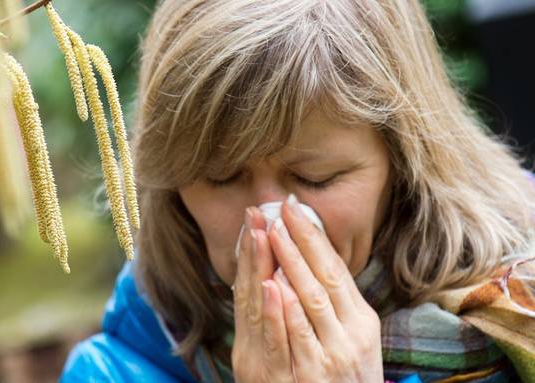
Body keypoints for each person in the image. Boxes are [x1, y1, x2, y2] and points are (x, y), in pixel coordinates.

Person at [60, 0, 535, 381]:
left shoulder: (519, 316)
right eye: (220, 177)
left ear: (405, 162)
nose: (266, 220)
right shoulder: (114, 369)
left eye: (316, 178)